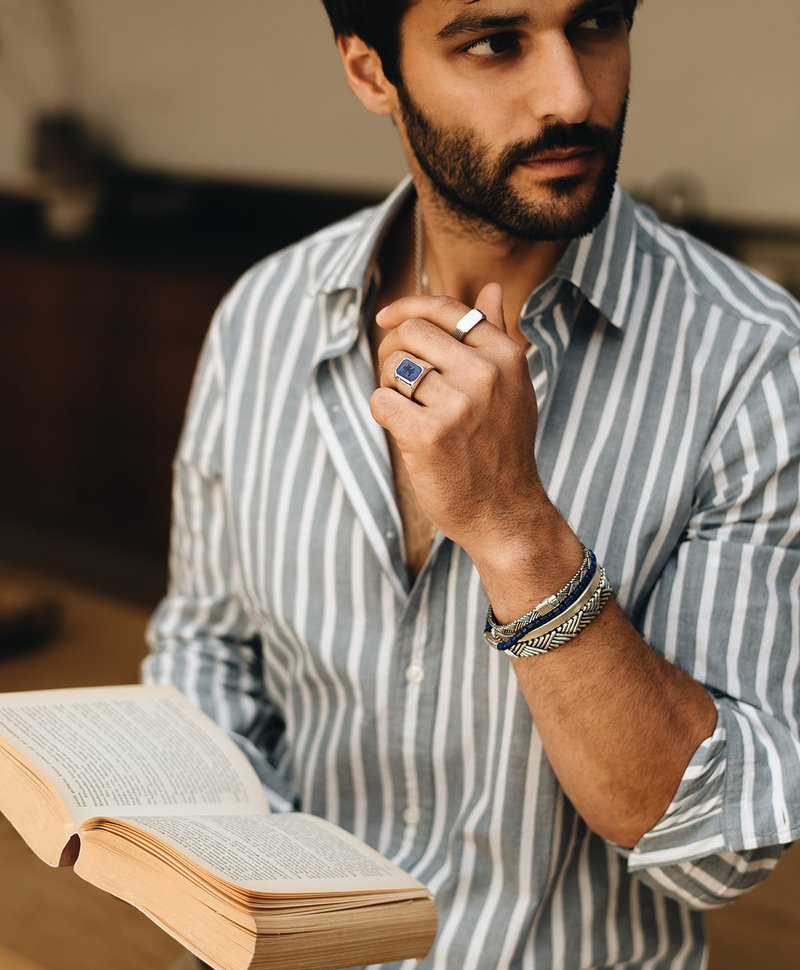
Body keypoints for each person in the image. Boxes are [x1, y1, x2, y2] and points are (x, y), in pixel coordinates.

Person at [144, 2, 800, 967]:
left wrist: (514, 528)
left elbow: (715, 849)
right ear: (373, 73)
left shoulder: (756, 363)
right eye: (495, 43)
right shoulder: (265, 315)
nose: (573, 94)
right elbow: (206, 647)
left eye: (596, 26)